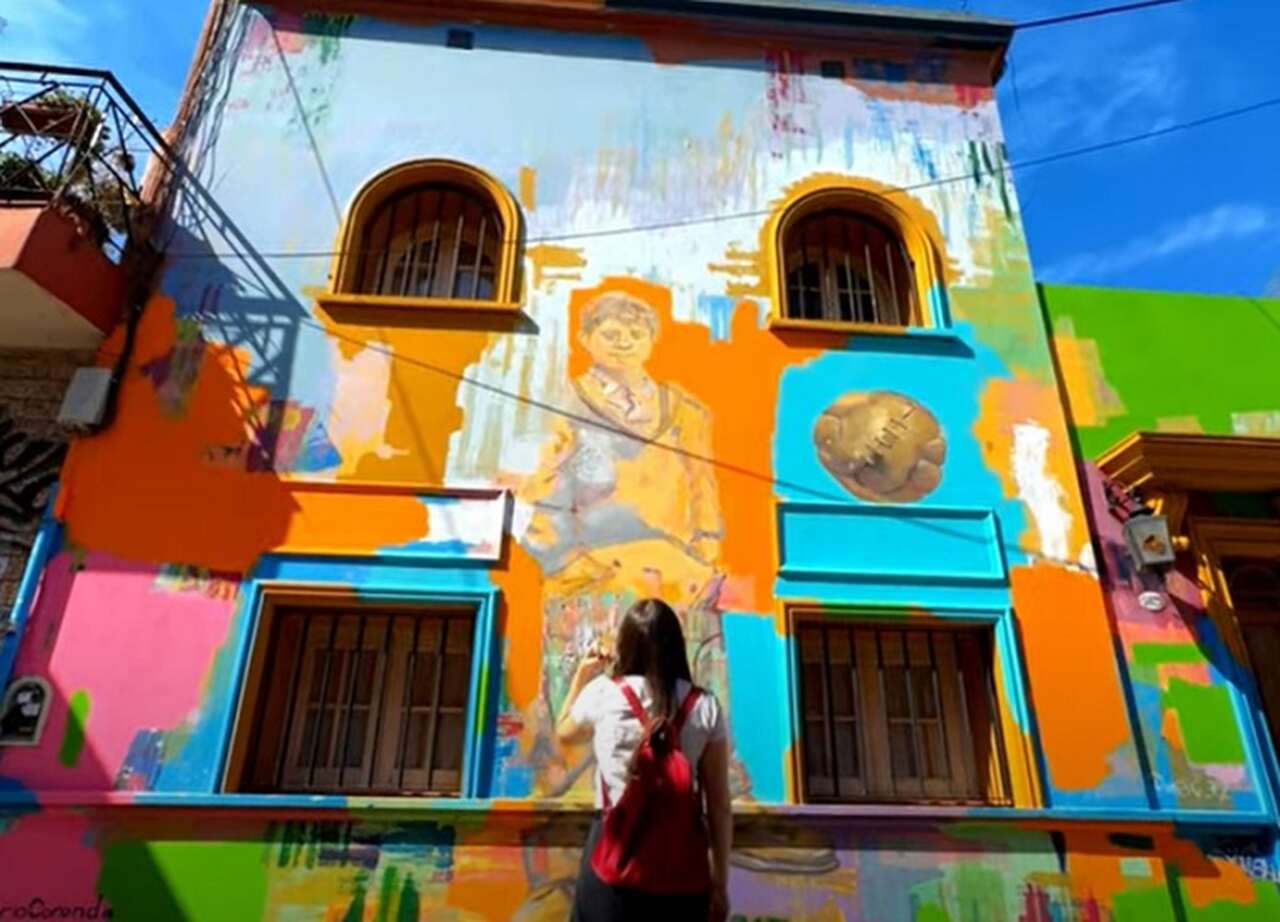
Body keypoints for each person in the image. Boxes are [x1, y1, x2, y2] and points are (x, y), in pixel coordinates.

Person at [555, 598, 732, 922]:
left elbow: (564, 731)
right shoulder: (705, 705)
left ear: (626, 644)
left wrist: (582, 674)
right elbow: (718, 804)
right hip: (681, 871)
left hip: (611, 860)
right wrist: (719, 881)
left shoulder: (603, 693)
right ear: (676, 645)